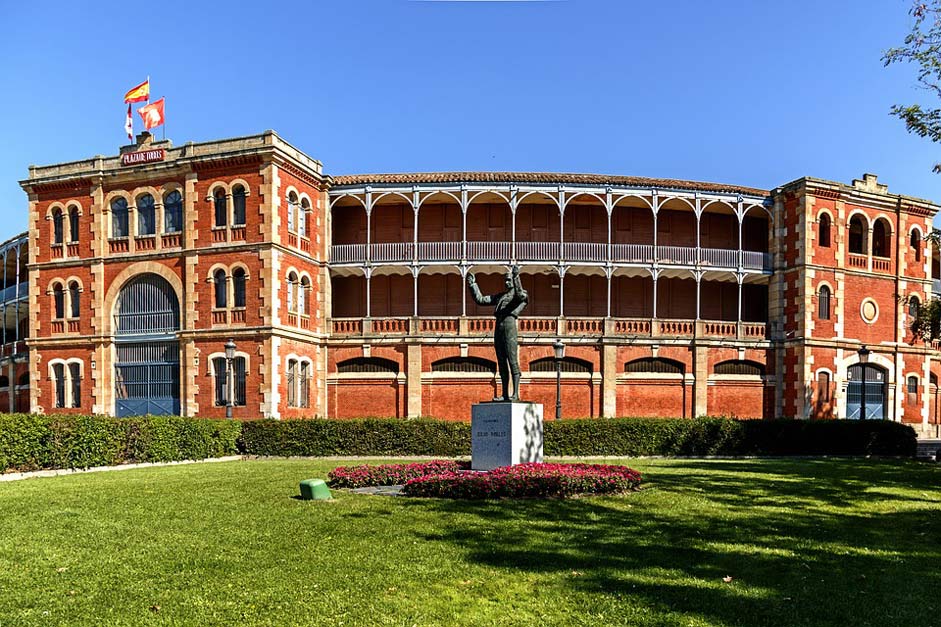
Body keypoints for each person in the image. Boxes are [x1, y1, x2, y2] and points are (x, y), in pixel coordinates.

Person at [466, 266, 528, 401]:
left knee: (512, 360)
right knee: (501, 361)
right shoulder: (500, 296)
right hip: (498, 326)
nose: (507, 283)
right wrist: (473, 285)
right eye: (506, 280)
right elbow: (481, 300)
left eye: (509, 280)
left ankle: (516, 393)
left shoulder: (518, 294)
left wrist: (517, 277)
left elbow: (521, 295)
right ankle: (505, 394)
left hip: (509, 325)